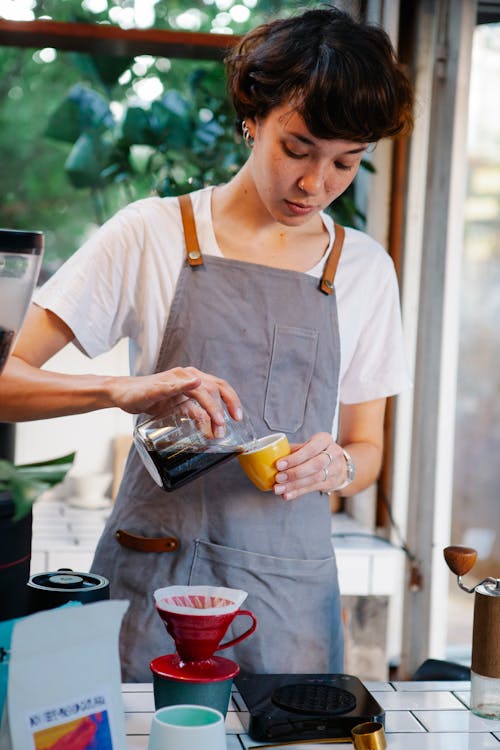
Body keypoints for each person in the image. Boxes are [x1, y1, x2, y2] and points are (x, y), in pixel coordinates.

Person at [0, 5, 413, 681]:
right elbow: (4, 383)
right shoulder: (151, 234)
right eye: (297, 148)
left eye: (347, 162)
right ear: (253, 116)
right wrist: (117, 389)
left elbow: (367, 450)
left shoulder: (364, 270)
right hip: (151, 582)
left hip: (288, 603)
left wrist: (335, 467)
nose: (316, 184)